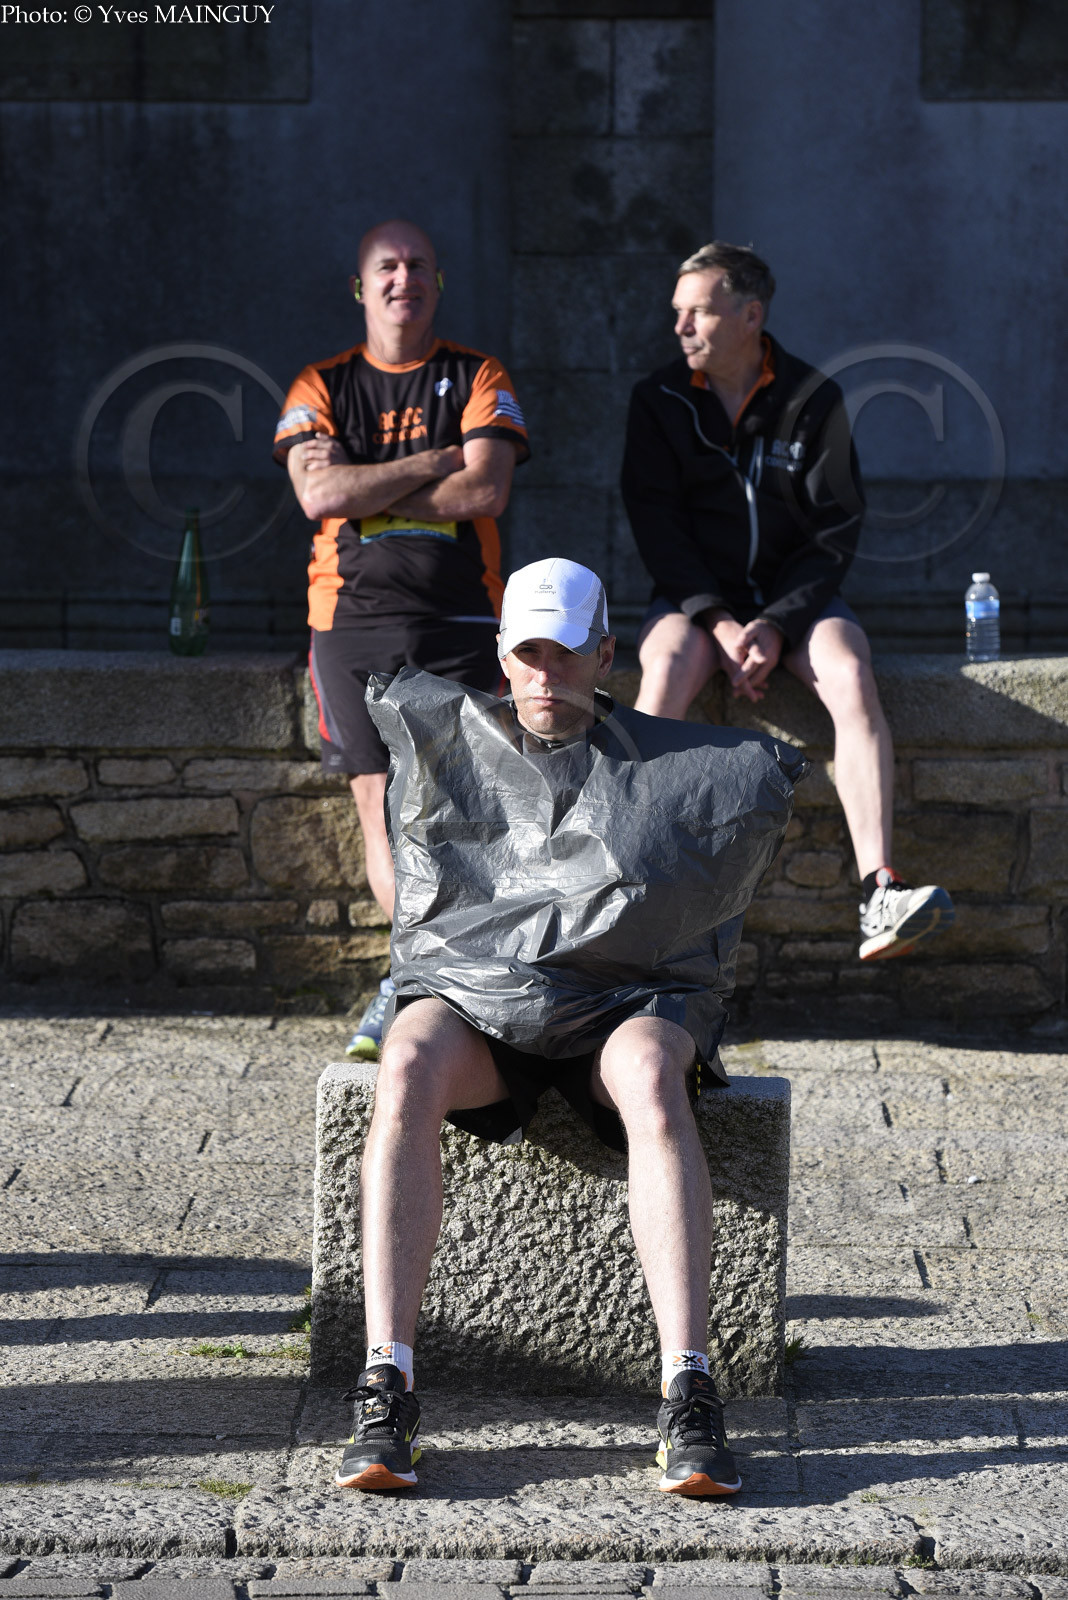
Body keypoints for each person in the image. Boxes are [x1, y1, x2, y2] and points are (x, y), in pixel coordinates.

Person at [334, 557, 805, 1500]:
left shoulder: (663, 769)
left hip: (620, 1015)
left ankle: (689, 1390)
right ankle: (386, 1382)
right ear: (503, 658)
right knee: (407, 1060)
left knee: (653, 1079)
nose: (545, 674)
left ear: (604, 654)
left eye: (565, 653)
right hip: (480, 1011)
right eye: (529, 654)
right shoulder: (450, 749)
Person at [621, 241, 953, 962]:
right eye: (677, 312)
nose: (680, 327)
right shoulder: (658, 399)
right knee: (665, 667)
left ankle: (880, 891)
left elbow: (834, 530)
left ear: (751, 316)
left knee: (850, 668)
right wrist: (718, 620)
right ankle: (625, 886)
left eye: (698, 312)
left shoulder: (814, 398)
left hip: (792, 602)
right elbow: (657, 528)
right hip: (695, 604)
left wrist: (775, 624)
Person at [273, 218, 529, 1056]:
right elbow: (318, 497)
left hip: (462, 616)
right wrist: (431, 461)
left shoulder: (478, 375)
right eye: (387, 266)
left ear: (437, 282)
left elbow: (485, 492)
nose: (403, 278)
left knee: (465, 805)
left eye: (419, 265)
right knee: (379, 802)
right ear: (362, 285)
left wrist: (365, 484)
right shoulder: (321, 384)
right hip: (349, 621)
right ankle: (416, 979)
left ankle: (447, 983)